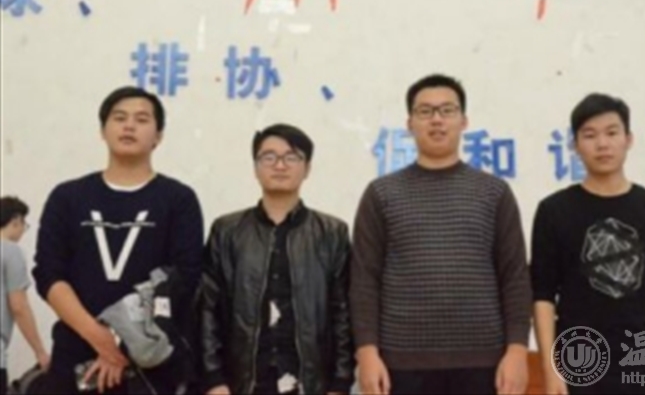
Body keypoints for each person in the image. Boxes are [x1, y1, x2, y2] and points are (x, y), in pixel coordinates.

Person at [350, 74, 531, 395]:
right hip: (401, 364)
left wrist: (517, 351)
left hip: (484, 363)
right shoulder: (382, 194)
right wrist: (366, 353)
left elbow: (514, 276)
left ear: (464, 121)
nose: (436, 119)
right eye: (425, 111)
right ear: (410, 124)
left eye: (447, 110)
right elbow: (364, 280)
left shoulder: (494, 192)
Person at [32, 86, 205, 394]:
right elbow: (49, 273)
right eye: (119, 118)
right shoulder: (67, 197)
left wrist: (121, 342)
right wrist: (99, 338)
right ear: (103, 130)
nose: (129, 126)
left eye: (142, 119)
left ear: (158, 136)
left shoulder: (178, 199)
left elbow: (184, 276)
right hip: (75, 356)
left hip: (149, 364)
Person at [530, 93, 645, 395]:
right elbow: (542, 296)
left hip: (643, 359)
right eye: (590, 135)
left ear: (628, 139)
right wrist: (550, 370)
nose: (602, 144)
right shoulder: (554, 211)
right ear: (575, 145)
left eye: (611, 133)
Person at [200, 124, 354, 395]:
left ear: (307, 168)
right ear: (255, 167)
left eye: (291, 157)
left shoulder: (332, 233)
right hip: (242, 382)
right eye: (269, 157)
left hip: (310, 382)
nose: (279, 165)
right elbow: (207, 308)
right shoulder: (227, 231)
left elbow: (343, 311)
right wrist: (213, 379)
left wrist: (341, 383)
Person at [1, 197, 50, 394]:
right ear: (15, 220)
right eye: (24, 225)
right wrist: (40, 352)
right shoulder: (10, 251)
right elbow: (19, 306)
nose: (23, 230)